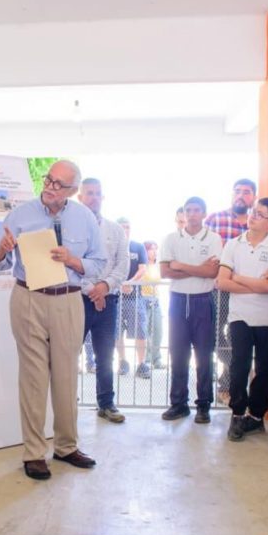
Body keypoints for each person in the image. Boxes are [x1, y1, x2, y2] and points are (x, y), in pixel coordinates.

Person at [0, 160, 104, 480]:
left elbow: (99, 262)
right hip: (28, 299)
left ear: (73, 190)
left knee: (66, 376)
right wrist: (2, 250)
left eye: (59, 185)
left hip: (68, 300)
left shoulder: (85, 218)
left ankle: (66, 447)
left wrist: (74, 261)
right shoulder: (20, 214)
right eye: (48, 181)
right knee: (33, 377)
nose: (50, 188)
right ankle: (34, 452)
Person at [216, 197, 268, 441]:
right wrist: (257, 284)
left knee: (264, 369)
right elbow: (222, 282)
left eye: (260, 214)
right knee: (239, 365)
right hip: (240, 316)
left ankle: (256, 416)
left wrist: (239, 277)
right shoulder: (234, 244)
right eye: (253, 212)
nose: (253, 216)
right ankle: (236, 413)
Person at [160, 196, 223, 424]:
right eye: (189, 210)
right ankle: (178, 404)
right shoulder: (171, 239)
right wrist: (199, 269)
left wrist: (181, 265)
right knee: (178, 355)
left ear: (204, 213)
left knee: (204, 355)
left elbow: (212, 273)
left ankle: (203, 405)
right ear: (183, 214)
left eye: (197, 210)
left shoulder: (214, 238)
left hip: (203, 300)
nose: (193, 214)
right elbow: (165, 272)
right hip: (178, 300)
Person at [77, 179, 129, 423]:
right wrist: (92, 290)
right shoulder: (70, 230)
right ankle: (66, 404)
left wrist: (104, 287)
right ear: (80, 197)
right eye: (89, 193)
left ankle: (106, 404)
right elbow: (68, 265)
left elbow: (123, 264)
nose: (94, 198)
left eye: (98, 193)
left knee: (105, 355)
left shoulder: (115, 230)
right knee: (70, 354)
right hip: (78, 300)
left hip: (108, 301)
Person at [206, 179, 258, 400]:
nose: (240, 196)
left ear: (253, 197)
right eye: (237, 191)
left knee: (242, 336)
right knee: (216, 335)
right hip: (220, 288)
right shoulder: (215, 219)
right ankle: (241, 368)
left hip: (249, 290)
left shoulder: (256, 223)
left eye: (246, 192)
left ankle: (226, 385)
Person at [115, 216, 151, 379]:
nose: (125, 229)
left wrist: (130, 283)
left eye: (127, 226)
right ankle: (123, 362)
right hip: (115, 296)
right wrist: (119, 284)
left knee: (140, 331)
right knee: (116, 332)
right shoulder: (112, 246)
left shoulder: (138, 246)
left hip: (135, 297)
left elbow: (143, 269)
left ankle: (142, 364)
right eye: (122, 226)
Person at [141, 240, 164, 368]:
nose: (154, 252)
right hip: (144, 299)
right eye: (151, 249)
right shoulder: (142, 265)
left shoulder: (157, 266)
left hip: (156, 300)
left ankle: (157, 359)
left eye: (156, 248)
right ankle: (147, 359)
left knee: (158, 331)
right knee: (145, 332)